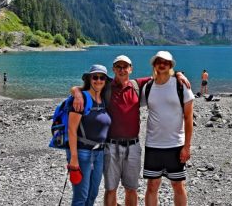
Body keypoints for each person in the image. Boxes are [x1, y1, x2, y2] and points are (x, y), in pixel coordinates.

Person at [72, 55, 191, 206]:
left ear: (131, 69)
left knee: (131, 189)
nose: (122, 70)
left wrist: (178, 73)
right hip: (111, 146)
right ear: (113, 69)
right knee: (110, 189)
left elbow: (161, 74)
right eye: (118, 67)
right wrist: (76, 92)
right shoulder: (105, 87)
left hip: (133, 147)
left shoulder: (137, 85)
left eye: (125, 67)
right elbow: (83, 88)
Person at [143, 51, 194, 206]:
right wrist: (77, 91)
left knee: (178, 185)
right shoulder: (148, 86)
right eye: (159, 61)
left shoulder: (181, 86)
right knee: (152, 186)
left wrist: (187, 146)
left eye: (166, 62)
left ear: (171, 65)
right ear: (154, 65)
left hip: (175, 145)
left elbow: (188, 118)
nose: (162, 64)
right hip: (153, 145)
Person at [68, 65, 112, 206]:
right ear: (89, 79)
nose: (98, 80)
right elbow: (71, 129)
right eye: (95, 77)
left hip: (99, 153)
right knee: (81, 196)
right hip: (82, 153)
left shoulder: (104, 99)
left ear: (106, 80)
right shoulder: (81, 99)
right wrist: (73, 158)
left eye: (102, 77)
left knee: (93, 194)